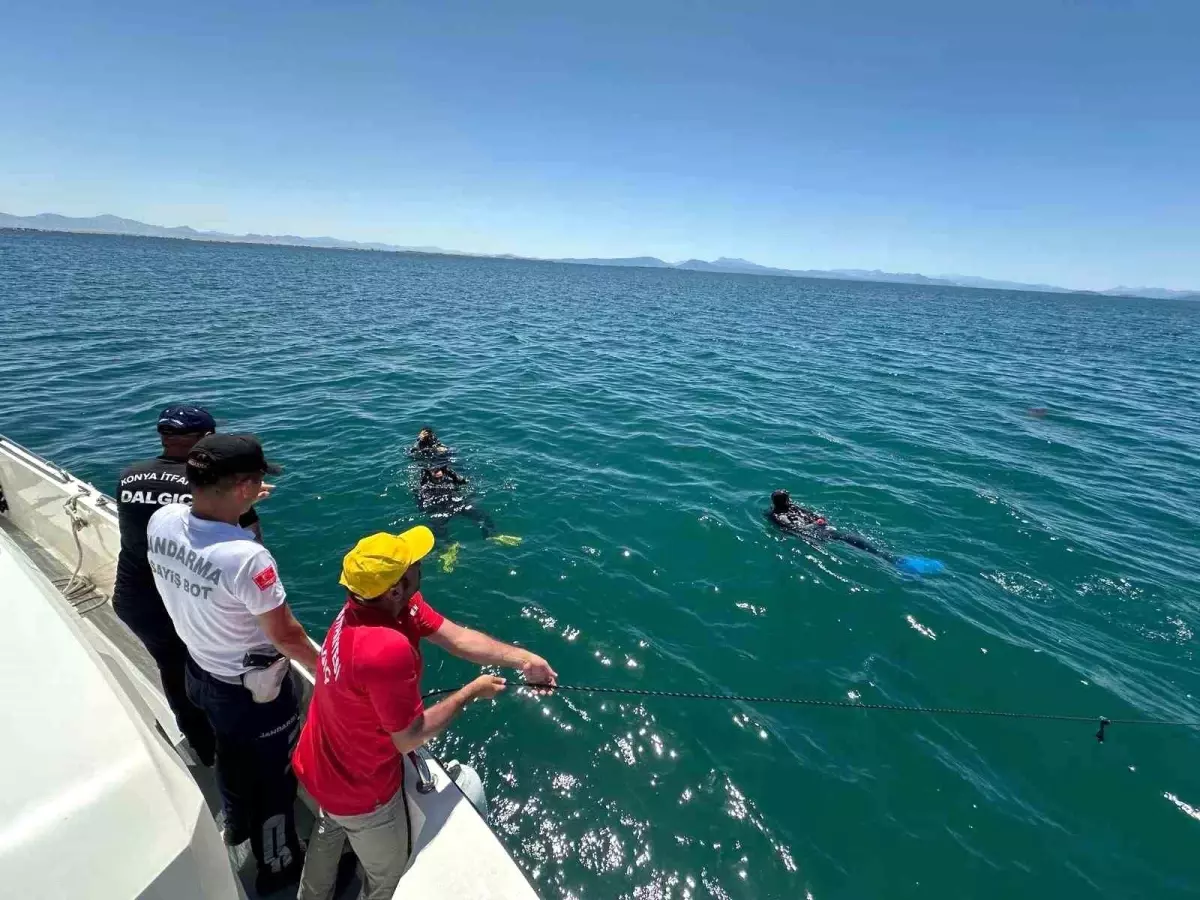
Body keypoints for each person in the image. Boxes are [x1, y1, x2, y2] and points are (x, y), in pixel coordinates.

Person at [293, 527, 557, 900]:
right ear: (396, 588)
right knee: (387, 877)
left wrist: (525, 659)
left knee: (329, 830)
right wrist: (469, 693)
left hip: (319, 760)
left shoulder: (371, 604)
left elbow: (459, 638)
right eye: (412, 563)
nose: (419, 564)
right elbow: (410, 738)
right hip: (360, 789)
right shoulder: (385, 648)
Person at [146, 433, 318, 895]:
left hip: (199, 673)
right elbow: (285, 635)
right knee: (274, 782)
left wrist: (235, 503)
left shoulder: (162, 519)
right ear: (243, 485)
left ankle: (236, 826)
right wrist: (331, 674)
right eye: (257, 481)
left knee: (230, 756)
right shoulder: (247, 558)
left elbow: (202, 544)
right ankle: (279, 867)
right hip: (250, 694)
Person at [113, 404, 265, 767]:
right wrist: (244, 501)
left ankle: (201, 745)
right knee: (217, 673)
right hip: (184, 598)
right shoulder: (212, 488)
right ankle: (237, 749)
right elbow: (248, 547)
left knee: (170, 666)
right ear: (206, 440)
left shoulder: (130, 475)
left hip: (135, 596)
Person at [767, 490, 945, 575]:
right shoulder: (781, 513)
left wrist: (818, 520)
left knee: (854, 541)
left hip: (820, 531)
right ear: (786, 500)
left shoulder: (784, 510)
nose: (791, 499)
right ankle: (895, 562)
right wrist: (816, 524)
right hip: (817, 534)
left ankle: (893, 560)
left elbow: (808, 518)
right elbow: (799, 525)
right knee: (852, 541)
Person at [416, 465, 496, 539]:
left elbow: (464, 482)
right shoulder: (426, 485)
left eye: (441, 477)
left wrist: (453, 474)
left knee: (482, 515)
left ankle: (493, 535)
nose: (439, 480)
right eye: (436, 479)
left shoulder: (449, 479)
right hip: (441, 509)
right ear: (430, 476)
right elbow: (421, 497)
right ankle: (447, 547)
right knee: (437, 527)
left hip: (457, 504)